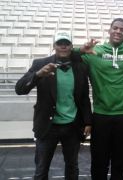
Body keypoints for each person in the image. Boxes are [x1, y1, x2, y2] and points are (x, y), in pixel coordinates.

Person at [74, 18, 123, 180]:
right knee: (98, 159)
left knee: (121, 160)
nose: (118, 31)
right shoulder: (94, 51)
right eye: (115, 28)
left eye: (122, 29)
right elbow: (67, 55)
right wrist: (81, 50)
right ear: (109, 30)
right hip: (102, 113)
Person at [15, 31, 92, 180]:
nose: (63, 46)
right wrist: (37, 75)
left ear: (71, 46)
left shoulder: (81, 66)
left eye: (66, 43)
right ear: (54, 45)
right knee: (41, 170)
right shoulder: (40, 64)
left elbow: (84, 97)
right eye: (60, 43)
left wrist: (88, 121)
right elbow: (20, 89)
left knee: (72, 167)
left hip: (72, 125)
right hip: (47, 126)